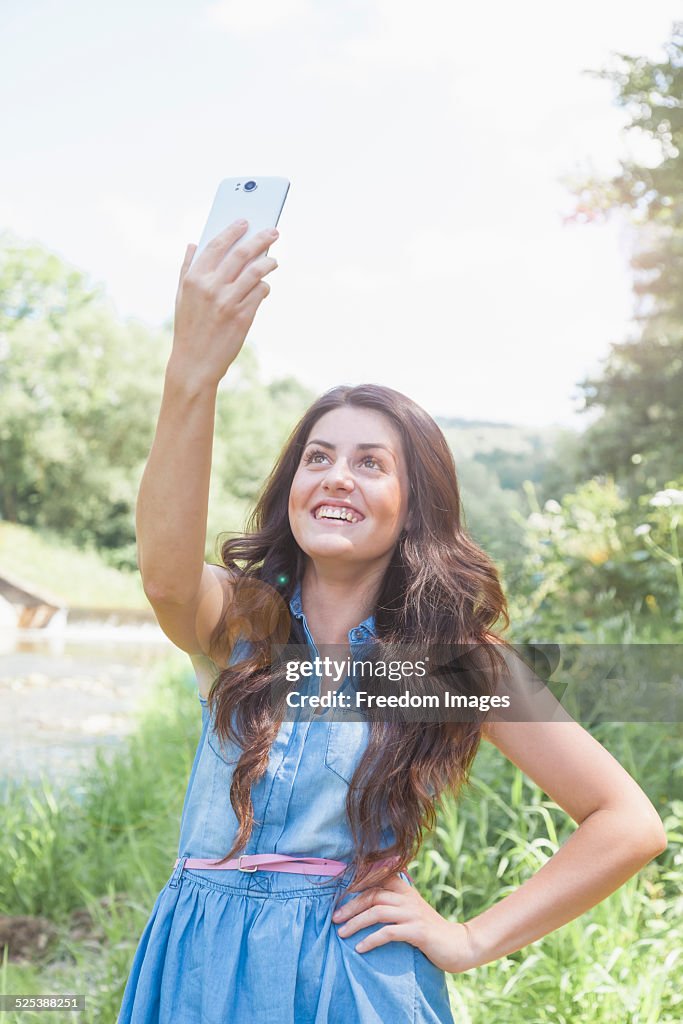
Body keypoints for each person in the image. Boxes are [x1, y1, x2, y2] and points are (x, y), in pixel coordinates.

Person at [117, 221, 667, 1023]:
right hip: (198, 966)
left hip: (350, 981)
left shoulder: (445, 665)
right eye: (318, 456)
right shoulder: (246, 622)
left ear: (414, 508)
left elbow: (627, 823)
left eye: (369, 462)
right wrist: (192, 374)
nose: (336, 475)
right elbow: (165, 572)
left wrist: (470, 939)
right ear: (292, 486)